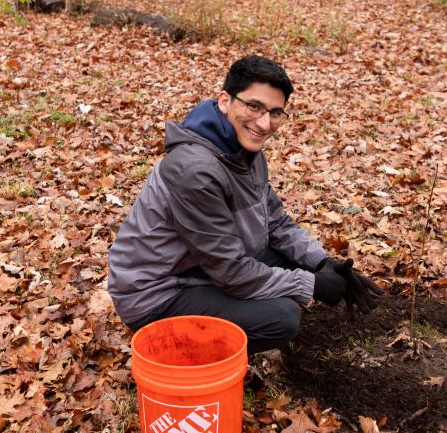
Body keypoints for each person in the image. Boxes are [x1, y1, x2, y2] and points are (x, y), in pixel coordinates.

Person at [108, 55, 382, 354]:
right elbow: (232, 272)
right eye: (254, 106)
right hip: (157, 295)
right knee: (280, 318)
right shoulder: (195, 171)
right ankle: (181, 346)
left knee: (296, 261)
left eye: (275, 113)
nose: (264, 124)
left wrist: (323, 264)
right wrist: (313, 285)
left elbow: (275, 222)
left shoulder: (244, 152)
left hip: (200, 268)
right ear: (225, 101)